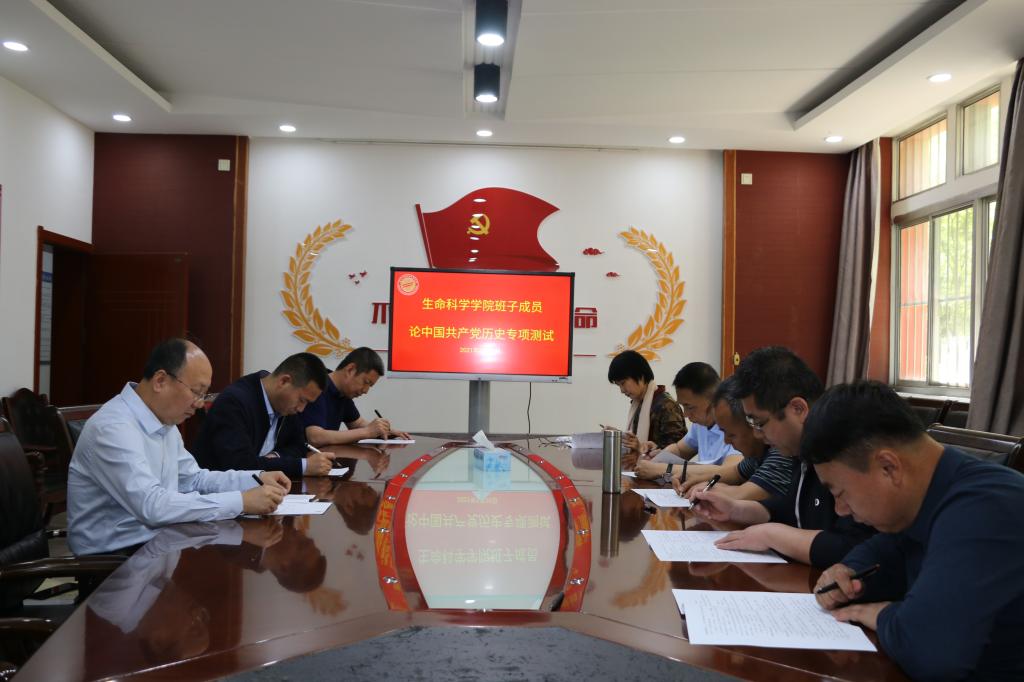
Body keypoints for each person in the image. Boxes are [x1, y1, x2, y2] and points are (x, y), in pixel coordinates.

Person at [808, 381, 1024, 681]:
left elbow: (933, 652)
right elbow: (889, 549)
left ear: (888, 467)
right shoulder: (924, 497)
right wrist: (849, 572)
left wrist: (883, 615)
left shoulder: (986, 508)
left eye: (839, 493)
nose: (840, 509)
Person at [67, 338, 289, 556]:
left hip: (161, 542)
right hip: (117, 558)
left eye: (204, 394)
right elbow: (152, 506)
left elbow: (194, 480)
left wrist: (257, 478)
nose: (199, 403)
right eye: (196, 391)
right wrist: (241, 501)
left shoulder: (164, 422)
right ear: (160, 381)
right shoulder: (113, 428)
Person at [689, 346, 874, 567]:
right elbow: (785, 508)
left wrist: (771, 535)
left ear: (798, 409)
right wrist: (734, 509)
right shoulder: (799, 450)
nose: (758, 434)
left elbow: (854, 547)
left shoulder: (843, 449)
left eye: (759, 422)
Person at [642, 376, 795, 501]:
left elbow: (742, 493)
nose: (726, 440)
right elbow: (734, 473)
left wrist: (713, 491)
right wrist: (692, 477)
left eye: (731, 435)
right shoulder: (756, 456)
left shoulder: (781, 452)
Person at [193, 352, 332, 479]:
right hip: (216, 492)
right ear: (284, 381)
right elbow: (240, 465)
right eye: (302, 400)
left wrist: (275, 457)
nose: (301, 409)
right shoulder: (234, 402)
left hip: (261, 488)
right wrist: (302, 466)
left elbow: (298, 446)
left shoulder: (285, 405)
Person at [302, 347, 410, 447]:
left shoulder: (343, 393)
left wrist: (384, 430)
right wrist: (368, 432)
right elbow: (315, 437)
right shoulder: (317, 386)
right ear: (350, 369)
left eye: (370, 386)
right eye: (366, 382)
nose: (366, 391)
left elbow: (357, 423)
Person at [607, 349, 686, 451]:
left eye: (623, 383)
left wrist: (643, 448)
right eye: (619, 385)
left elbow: (677, 450)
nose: (622, 390)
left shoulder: (667, 406)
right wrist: (619, 436)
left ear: (640, 376)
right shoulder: (639, 404)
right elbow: (638, 441)